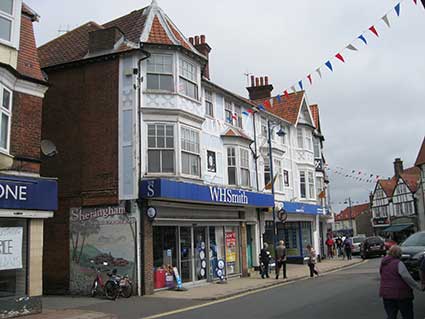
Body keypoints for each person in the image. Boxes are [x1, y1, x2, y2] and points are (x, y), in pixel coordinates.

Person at [379, 245, 423, 319]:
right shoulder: (398, 263)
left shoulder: (383, 263)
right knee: (407, 315)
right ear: (399, 254)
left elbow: (382, 274)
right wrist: (418, 287)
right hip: (401, 295)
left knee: (391, 316)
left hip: (386, 294)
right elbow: (407, 277)